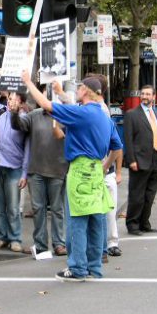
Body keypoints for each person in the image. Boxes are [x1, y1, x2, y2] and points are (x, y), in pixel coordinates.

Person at [22, 71, 123, 281]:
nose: (76, 90)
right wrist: (105, 165)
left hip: (80, 170)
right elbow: (117, 146)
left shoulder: (83, 113)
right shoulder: (103, 116)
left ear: (85, 91)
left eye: (78, 88)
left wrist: (28, 83)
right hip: (96, 170)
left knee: (77, 220)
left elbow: (47, 105)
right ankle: (94, 268)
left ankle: (77, 268)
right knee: (96, 220)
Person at [10, 84, 68, 256]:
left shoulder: (65, 115)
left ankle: (59, 243)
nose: (46, 97)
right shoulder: (34, 115)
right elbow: (18, 125)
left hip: (59, 169)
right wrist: (14, 112)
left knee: (57, 209)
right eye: (44, 94)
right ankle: (41, 244)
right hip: (36, 171)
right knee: (38, 208)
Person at [0, 67, 30, 253]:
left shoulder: (25, 119)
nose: (11, 102)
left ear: (22, 103)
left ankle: (15, 238)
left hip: (14, 167)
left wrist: (25, 172)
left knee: (13, 206)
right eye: (10, 98)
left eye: (16, 99)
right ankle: (1, 236)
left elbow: (28, 149)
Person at [124, 85, 157, 236]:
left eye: (148, 94)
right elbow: (128, 139)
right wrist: (131, 160)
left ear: (153, 97)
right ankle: (133, 225)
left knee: (150, 195)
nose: (145, 96)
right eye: (142, 94)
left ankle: (145, 223)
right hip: (139, 161)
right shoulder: (132, 115)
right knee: (137, 195)